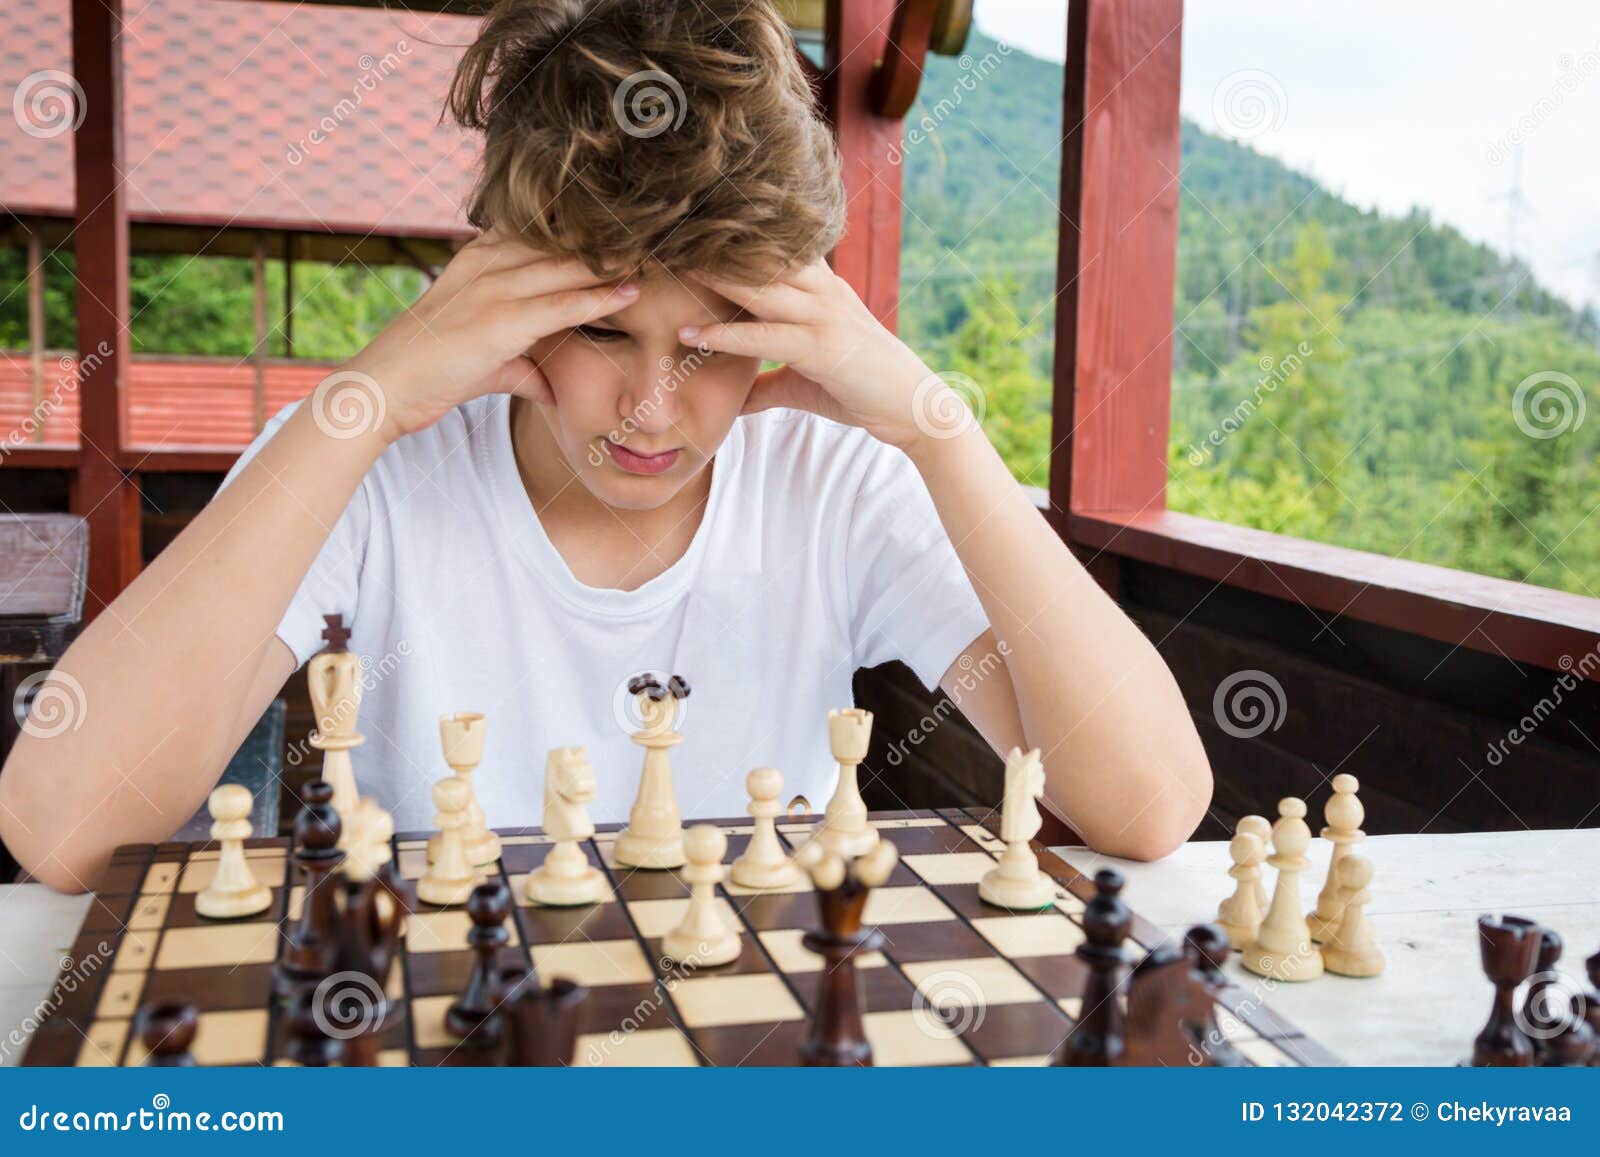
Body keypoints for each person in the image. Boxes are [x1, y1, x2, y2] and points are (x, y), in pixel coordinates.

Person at [0, 0, 1210, 893]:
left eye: (717, 340)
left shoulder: (837, 486)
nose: (651, 406)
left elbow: (1146, 804)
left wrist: (939, 429)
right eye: (597, 328)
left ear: (790, 326)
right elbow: (62, 829)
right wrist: (359, 398)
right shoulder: (367, 465)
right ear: (495, 284)